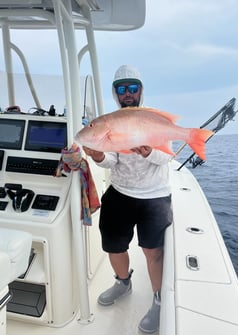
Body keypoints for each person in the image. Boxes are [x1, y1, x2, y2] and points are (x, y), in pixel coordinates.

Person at [83, 65, 173, 333]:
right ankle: (123, 282)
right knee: (113, 245)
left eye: (133, 88)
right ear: (115, 93)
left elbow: (167, 157)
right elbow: (113, 160)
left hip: (154, 195)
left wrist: (149, 152)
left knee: (152, 251)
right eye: (122, 89)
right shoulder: (110, 122)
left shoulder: (152, 119)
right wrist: (99, 156)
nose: (128, 94)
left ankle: (158, 301)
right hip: (121, 192)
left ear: (141, 90)